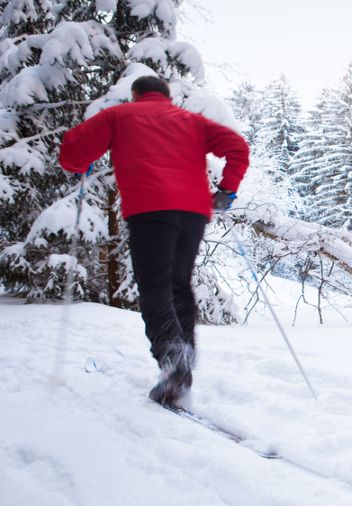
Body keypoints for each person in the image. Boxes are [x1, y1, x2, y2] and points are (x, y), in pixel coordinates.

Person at [58, 75, 250, 406]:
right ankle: (181, 364)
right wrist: (226, 191)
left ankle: (173, 362)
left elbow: (73, 148)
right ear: (166, 95)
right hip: (193, 212)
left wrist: (78, 165)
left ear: (136, 95)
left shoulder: (118, 116)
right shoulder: (191, 121)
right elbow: (238, 147)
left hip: (150, 209)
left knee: (156, 286)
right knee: (178, 283)